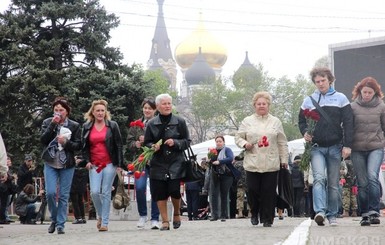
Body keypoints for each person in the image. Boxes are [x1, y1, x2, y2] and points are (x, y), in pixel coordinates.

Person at [298, 67, 353, 226]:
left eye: (323, 80)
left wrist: (348, 145)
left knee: (333, 182)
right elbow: (301, 121)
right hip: (316, 147)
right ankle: (320, 211)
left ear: (330, 80)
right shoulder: (309, 100)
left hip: (335, 146)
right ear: (314, 83)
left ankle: (332, 214)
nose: (320, 84)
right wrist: (305, 132)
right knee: (319, 178)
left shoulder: (341, 98)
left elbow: (349, 122)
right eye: (317, 82)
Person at [235, 91, 289, 227]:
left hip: (271, 162)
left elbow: (282, 142)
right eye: (258, 104)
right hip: (253, 161)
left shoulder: (275, 122)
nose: (261, 106)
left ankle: (268, 218)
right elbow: (238, 137)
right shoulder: (247, 121)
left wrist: (284, 160)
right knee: (253, 190)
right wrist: (244, 144)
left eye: (264, 103)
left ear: (268, 105)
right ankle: (254, 212)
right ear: (254, 105)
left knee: (269, 192)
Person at [144, 93, 190, 231]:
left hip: (175, 161)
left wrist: (175, 142)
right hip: (158, 162)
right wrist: (152, 147)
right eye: (164, 104)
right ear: (157, 107)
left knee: (174, 190)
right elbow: (146, 143)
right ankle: (164, 221)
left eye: (169, 103)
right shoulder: (152, 123)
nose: (167, 106)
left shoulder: (179, 121)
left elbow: (187, 141)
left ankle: (176, 213)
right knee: (159, 192)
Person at [40, 97, 81, 234]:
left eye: (61, 110)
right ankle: (54, 218)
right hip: (50, 162)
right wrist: (52, 125)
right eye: (56, 110)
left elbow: (78, 145)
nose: (58, 112)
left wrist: (66, 142)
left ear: (67, 112)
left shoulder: (74, 126)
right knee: (50, 193)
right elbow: (43, 140)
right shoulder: (47, 122)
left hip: (67, 164)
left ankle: (60, 225)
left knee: (63, 195)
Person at [82, 99, 124, 232]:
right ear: (93, 112)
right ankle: (100, 215)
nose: (100, 113)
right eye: (97, 110)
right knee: (94, 192)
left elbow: (118, 145)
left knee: (106, 192)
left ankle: (105, 222)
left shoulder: (112, 125)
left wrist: (119, 164)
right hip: (94, 164)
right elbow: (84, 147)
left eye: (102, 110)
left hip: (110, 163)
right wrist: (87, 161)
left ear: (105, 112)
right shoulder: (87, 126)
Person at [350, 77, 385, 226]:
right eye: (364, 92)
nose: (367, 95)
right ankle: (364, 213)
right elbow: (348, 127)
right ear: (360, 91)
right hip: (357, 148)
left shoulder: (381, 106)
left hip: (375, 146)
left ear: (375, 92)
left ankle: (374, 211)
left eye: (370, 92)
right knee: (362, 182)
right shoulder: (352, 107)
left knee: (372, 177)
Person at [126, 97, 160, 229]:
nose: (147, 110)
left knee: (156, 189)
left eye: (150, 108)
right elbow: (129, 143)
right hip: (140, 161)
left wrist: (153, 144)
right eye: (145, 108)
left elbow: (162, 140)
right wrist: (137, 143)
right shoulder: (135, 125)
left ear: (154, 110)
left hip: (156, 161)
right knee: (139, 188)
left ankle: (155, 218)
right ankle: (143, 215)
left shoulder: (158, 123)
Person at [208, 135, 235, 222]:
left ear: (223, 142)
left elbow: (230, 158)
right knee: (213, 195)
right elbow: (211, 161)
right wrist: (209, 160)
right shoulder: (213, 150)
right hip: (215, 174)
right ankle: (214, 215)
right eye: (217, 141)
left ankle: (223, 215)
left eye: (220, 141)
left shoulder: (227, 150)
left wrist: (220, 161)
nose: (218, 143)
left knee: (224, 194)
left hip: (226, 174)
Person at [70, 156, 88, 224]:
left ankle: (78, 217)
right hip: (81, 187)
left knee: (75, 201)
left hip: (73, 185)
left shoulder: (73, 168)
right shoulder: (84, 169)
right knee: (80, 201)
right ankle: (83, 217)